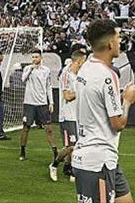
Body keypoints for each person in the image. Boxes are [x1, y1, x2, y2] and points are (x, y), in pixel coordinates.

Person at [72, 19, 135, 203]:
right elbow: (118, 124)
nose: (121, 42)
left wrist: (119, 98)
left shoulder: (86, 67)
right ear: (110, 43)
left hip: (101, 155)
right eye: (119, 37)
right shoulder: (107, 75)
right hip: (97, 159)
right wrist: (127, 101)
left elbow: (97, 102)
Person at [49, 49, 87, 182]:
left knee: (76, 144)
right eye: (84, 60)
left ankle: (68, 167)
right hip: (67, 115)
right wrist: (81, 92)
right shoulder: (66, 74)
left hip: (76, 115)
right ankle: (54, 164)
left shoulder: (79, 75)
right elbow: (67, 96)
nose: (85, 63)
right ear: (79, 61)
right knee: (71, 146)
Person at [19, 50, 57, 163]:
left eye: (36, 57)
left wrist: (51, 102)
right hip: (29, 103)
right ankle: (22, 151)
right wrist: (31, 69)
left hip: (42, 103)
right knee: (26, 128)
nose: (34, 59)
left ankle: (55, 152)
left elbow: (48, 87)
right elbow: (23, 80)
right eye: (33, 57)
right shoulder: (27, 69)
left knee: (48, 128)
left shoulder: (46, 71)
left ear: (41, 58)